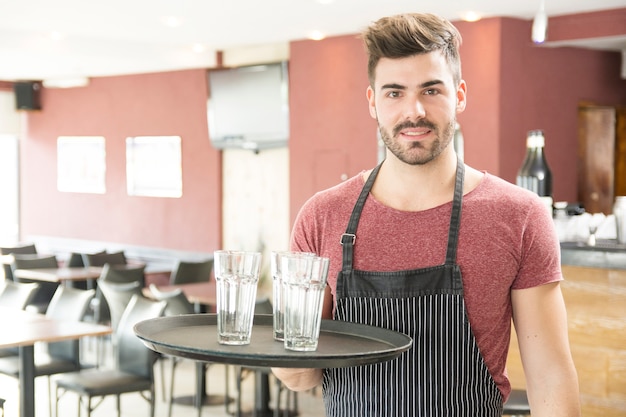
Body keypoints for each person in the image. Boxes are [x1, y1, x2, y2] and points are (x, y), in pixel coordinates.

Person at [272, 12, 581, 417]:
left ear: (460, 95)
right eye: (394, 93)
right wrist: (283, 338)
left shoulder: (519, 216)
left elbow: (551, 377)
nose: (413, 111)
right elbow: (300, 375)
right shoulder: (322, 216)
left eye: (431, 90)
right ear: (373, 102)